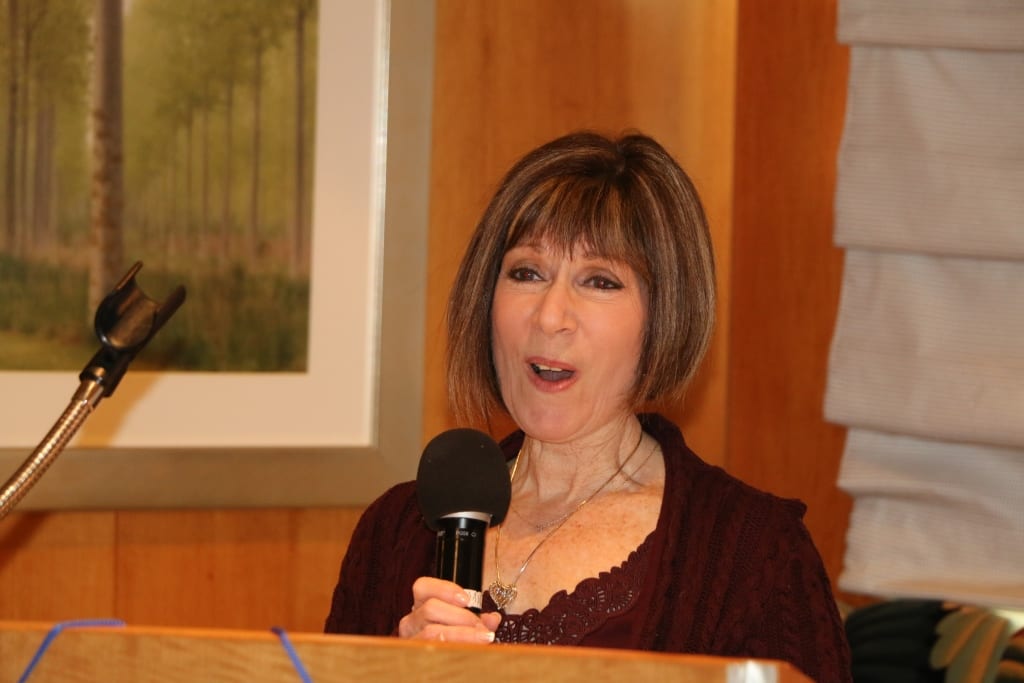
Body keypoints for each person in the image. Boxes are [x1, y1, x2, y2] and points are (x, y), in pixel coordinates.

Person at [325, 131, 851, 682]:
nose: (550, 316)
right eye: (527, 273)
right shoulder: (395, 531)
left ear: (664, 316)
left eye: (599, 281)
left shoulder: (754, 554)